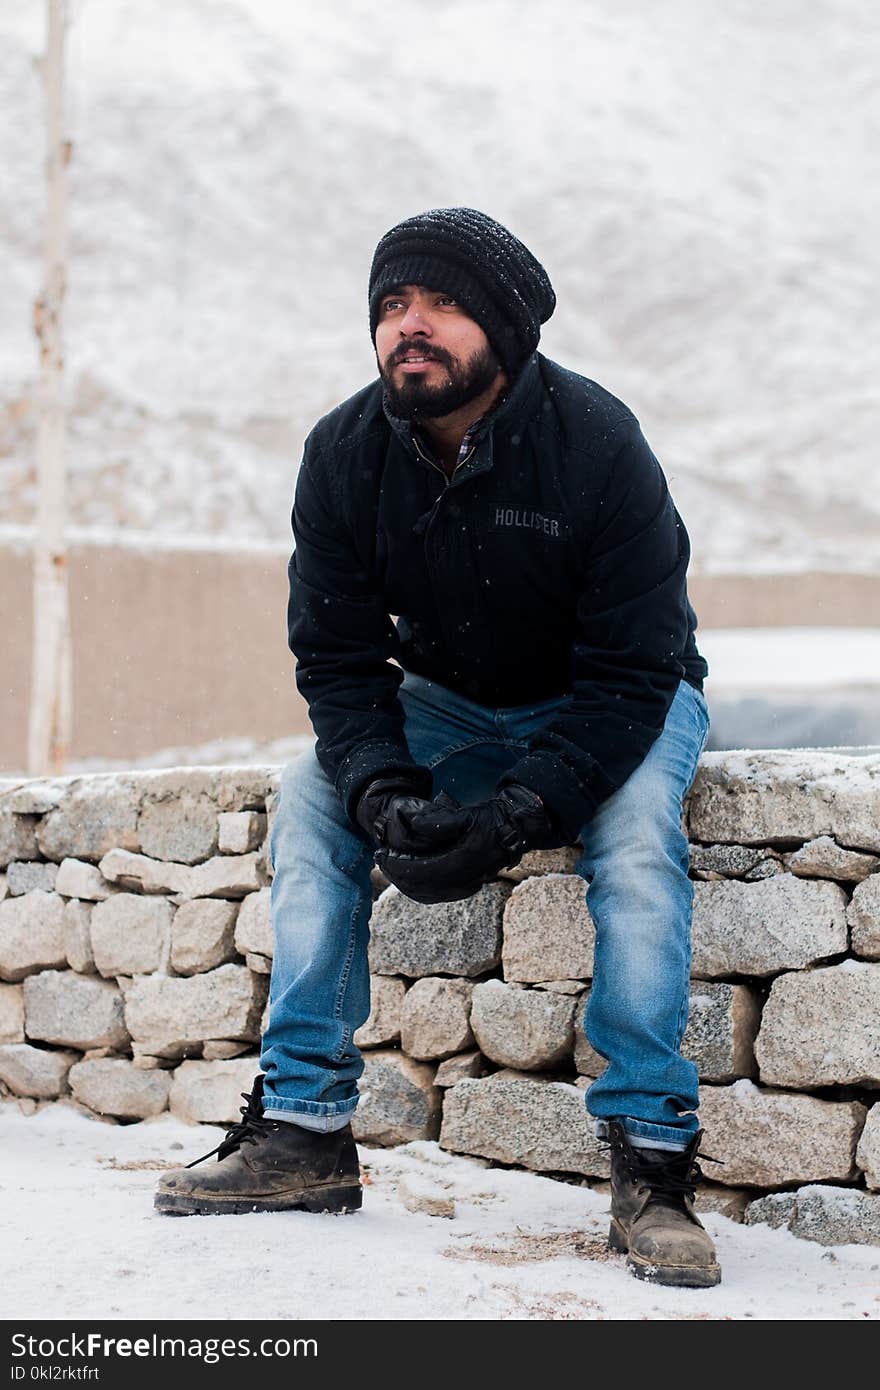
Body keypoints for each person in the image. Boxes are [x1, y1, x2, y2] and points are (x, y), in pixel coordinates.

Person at [155, 208, 718, 1289]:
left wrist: (522, 808)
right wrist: (378, 788)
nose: (409, 326)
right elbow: (336, 659)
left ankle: (651, 1159)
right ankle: (306, 1128)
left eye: (441, 304)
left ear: (504, 329)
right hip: (449, 701)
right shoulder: (343, 454)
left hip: (612, 698)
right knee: (310, 799)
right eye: (390, 306)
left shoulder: (598, 443)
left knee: (640, 835)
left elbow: (632, 671)